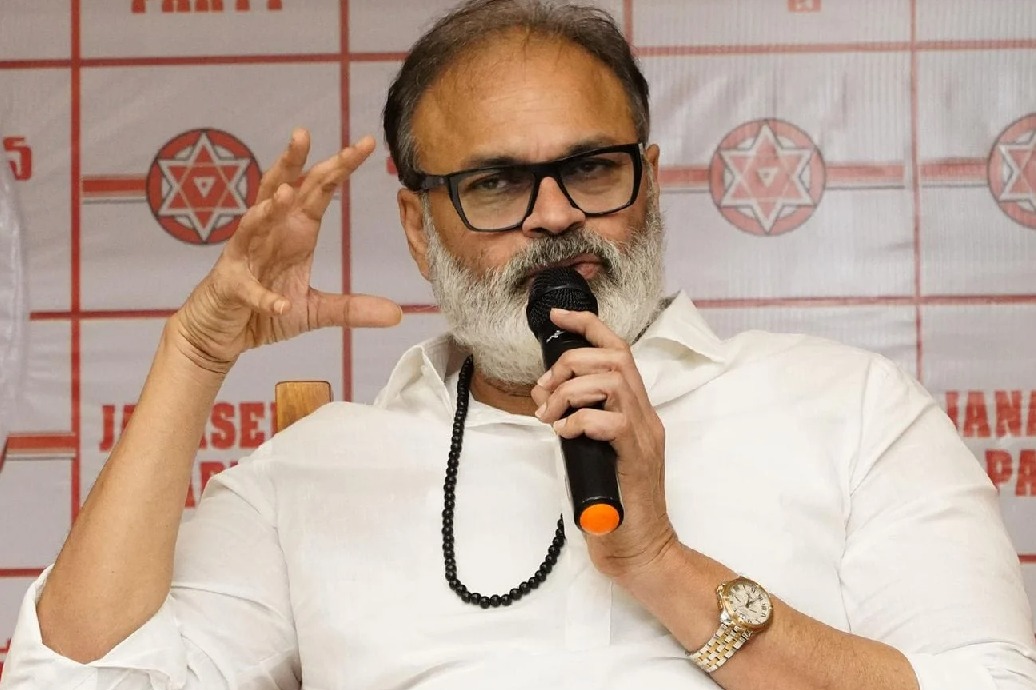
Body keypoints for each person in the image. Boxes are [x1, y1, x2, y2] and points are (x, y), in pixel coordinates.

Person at [3, 0, 1036, 688]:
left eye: (590, 168)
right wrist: (194, 355)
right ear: (418, 228)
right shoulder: (314, 470)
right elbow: (74, 681)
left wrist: (661, 565)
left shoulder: (851, 408)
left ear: (649, 181)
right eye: (495, 184)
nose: (554, 216)